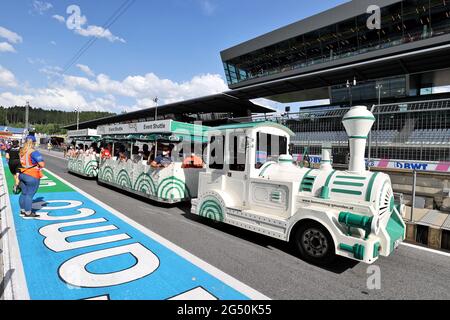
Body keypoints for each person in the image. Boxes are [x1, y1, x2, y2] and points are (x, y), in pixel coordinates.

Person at [18, 135, 45, 218]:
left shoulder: (22, 150)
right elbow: (42, 164)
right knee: (29, 195)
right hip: (32, 175)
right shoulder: (33, 152)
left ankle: (22, 210)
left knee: (23, 193)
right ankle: (28, 212)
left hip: (22, 173)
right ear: (33, 143)